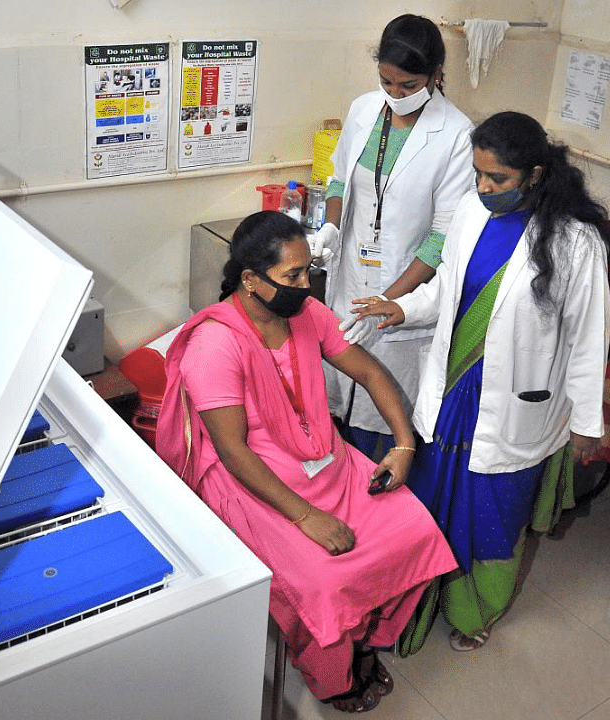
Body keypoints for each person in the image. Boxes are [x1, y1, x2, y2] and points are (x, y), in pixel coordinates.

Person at [155, 211, 456, 712]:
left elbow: (369, 372)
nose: (306, 283)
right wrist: (305, 516)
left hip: (324, 461)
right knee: (327, 580)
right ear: (250, 280)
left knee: (415, 531)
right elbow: (232, 451)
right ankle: (330, 675)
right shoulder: (215, 344)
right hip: (255, 481)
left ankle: (363, 635)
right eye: (292, 276)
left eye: (307, 270)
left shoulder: (305, 314)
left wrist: (403, 445)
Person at [348, 111, 610, 654]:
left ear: (535, 174)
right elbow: (448, 288)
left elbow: (589, 338)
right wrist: (401, 308)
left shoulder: (574, 243)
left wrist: (587, 421)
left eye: (499, 180)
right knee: (428, 502)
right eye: (479, 175)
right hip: (450, 395)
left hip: (516, 403)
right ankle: (412, 606)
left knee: (493, 514)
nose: (484, 188)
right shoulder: (470, 212)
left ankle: (475, 612)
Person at [308, 13, 475, 459]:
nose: (396, 95)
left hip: (403, 295)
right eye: (387, 82)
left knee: (382, 425)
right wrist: (331, 225)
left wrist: (389, 302)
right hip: (349, 281)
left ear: (437, 74)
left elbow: (441, 239)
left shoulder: (457, 135)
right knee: (333, 413)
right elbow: (341, 181)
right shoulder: (364, 109)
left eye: (409, 86)